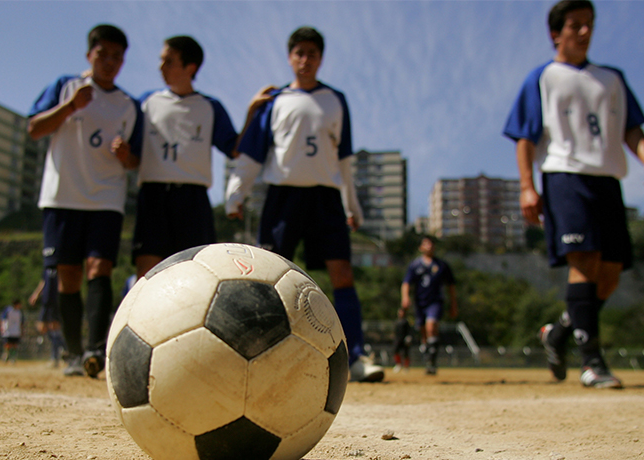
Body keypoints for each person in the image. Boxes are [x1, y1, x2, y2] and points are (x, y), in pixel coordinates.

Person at [503, 0, 644, 388]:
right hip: (564, 175)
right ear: (555, 33)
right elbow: (525, 137)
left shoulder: (612, 78)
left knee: (608, 275)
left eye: (588, 24)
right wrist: (527, 186)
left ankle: (559, 332)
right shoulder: (543, 77)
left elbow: (631, 127)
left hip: (607, 178)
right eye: (575, 25)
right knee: (584, 260)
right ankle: (592, 362)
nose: (583, 31)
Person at [226, 26, 383, 383]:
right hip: (283, 197)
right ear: (289, 57)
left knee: (342, 273)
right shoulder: (275, 101)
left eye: (312, 53)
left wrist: (351, 204)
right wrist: (236, 194)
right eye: (299, 52)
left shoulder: (335, 100)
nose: (305, 59)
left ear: (321, 58)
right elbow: (252, 154)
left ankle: (355, 356)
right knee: (269, 277)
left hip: (326, 198)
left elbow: (344, 159)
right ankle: (261, 354)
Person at [28, 24, 143, 378]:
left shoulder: (128, 104)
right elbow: (34, 127)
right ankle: (74, 354)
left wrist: (125, 156)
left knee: (99, 269)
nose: (109, 62)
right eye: (102, 55)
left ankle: (96, 350)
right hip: (63, 195)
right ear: (88, 55)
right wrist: (69, 107)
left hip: (106, 199)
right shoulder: (65, 86)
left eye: (117, 57)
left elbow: (137, 161)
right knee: (68, 274)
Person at [132, 36, 239, 281]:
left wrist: (253, 109)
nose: (161, 67)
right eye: (161, 61)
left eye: (169, 61)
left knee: (196, 275)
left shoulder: (210, 107)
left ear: (190, 67)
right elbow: (127, 138)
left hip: (193, 199)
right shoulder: (145, 103)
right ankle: (145, 321)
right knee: (147, 275)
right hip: (153, 195)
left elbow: (234, 148)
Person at [400, 236, 458, 375]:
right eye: (426, 244)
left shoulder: (442, 265)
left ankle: (432, 361)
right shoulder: (415, 265)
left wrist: (453, 304)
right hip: (420, 303)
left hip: (435, 302)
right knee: (423, 332)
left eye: (431, 244)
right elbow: (406, 283)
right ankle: (428, 358)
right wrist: (405, 298)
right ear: (421, 248)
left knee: (431, 326)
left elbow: (451, 286)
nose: (429, 246)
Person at [29, 268, 67, 368]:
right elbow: (43, 281)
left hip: (56, 301)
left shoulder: (60, 265)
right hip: (46, 301)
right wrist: (36, 294)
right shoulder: (47, 267)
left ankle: (56, 357)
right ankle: (64, 350)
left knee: (54, 329)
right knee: (42, 327)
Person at [0, 299, 24, 364]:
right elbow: (2, 319)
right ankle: (6, 355)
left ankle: (13, 357)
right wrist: (2, 327)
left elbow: (21, 322)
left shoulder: (19, 312)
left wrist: (21, 330)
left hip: (16, 331)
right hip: (8, 330)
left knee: (15, 345)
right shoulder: (8, 310)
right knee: (7, 344)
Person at [392, 307, 412, 373]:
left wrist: (409, 337)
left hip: (404, 340)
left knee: (405, 353)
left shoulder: (406, 322)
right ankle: (398, 364)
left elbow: (409, 331)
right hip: (398, 339)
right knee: (395, 351)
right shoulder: (397, 322)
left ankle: (406, 366)